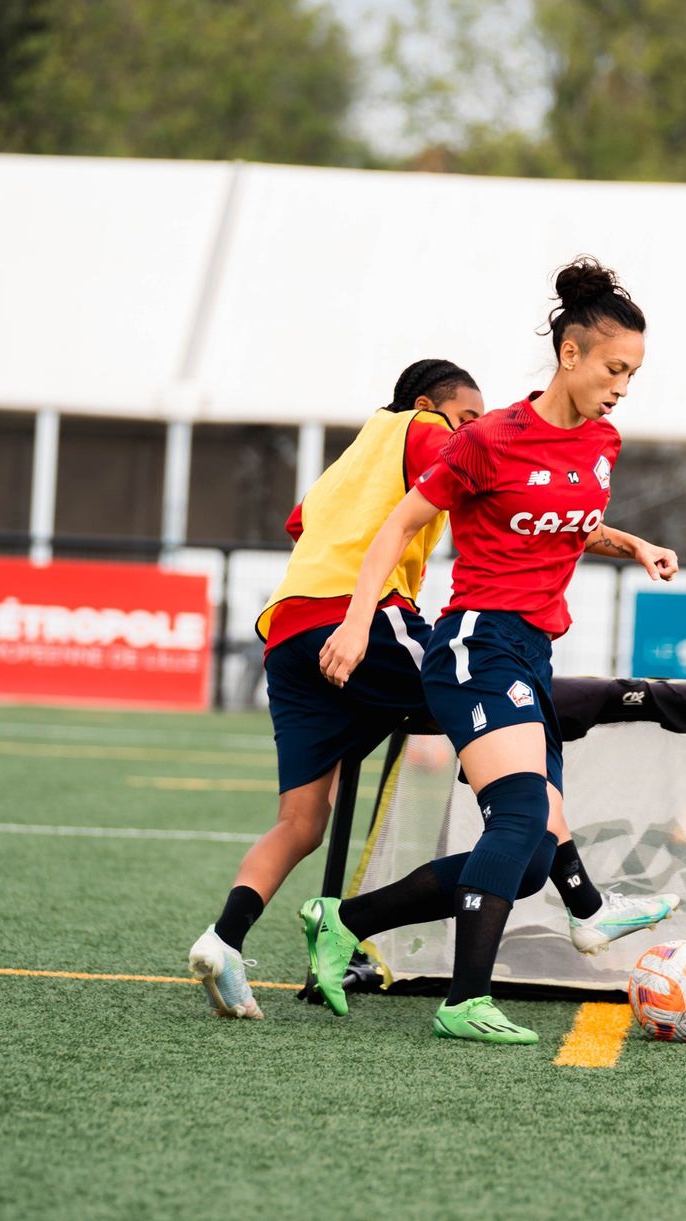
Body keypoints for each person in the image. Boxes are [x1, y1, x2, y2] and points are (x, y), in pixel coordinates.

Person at [300, 257, 680, 1045]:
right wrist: (358, 621)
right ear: (569, 354)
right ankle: (465, 998)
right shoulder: (489, 439)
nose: (621, 386)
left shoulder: (603, 442)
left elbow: (567, 522)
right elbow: (399, 526)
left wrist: (633, 543)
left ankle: (345, 921)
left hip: (533, 652)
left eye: (633, 374)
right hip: (477, 642)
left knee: (532, 856)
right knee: (520, 817)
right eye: (613, 368)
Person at [187, 359, 483, 1019]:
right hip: (360, 617)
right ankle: (564, 887)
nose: (471, 431)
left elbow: (300, 524)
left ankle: (224, 939)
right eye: (467, 417)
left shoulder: (350, 457)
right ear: (428, 405)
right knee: (489, 701)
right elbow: (479, 482)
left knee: (300, 822)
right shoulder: (427, 431)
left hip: (287, 633)